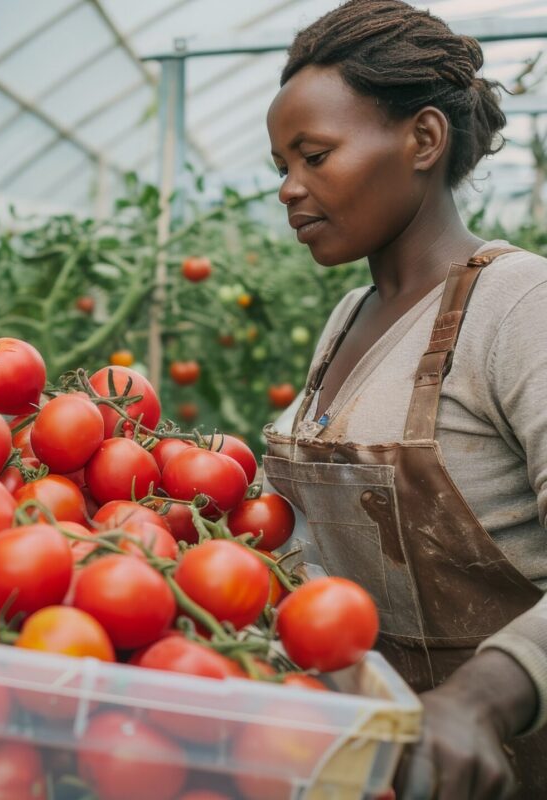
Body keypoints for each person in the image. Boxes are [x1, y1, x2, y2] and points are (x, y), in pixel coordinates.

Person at [262, 1, 547, 797]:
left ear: (423, 139)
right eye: (281, 165)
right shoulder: (347, 317)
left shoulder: (521, 304)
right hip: (369, 763)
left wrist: (481, 701)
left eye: (315, 156)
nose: (290, 188)